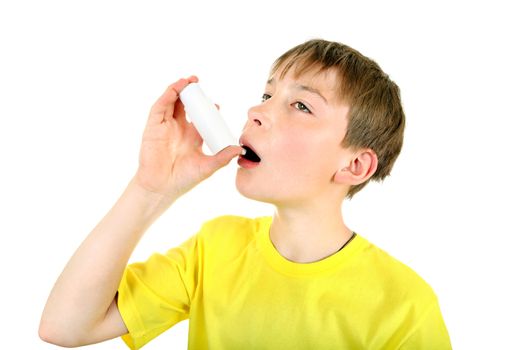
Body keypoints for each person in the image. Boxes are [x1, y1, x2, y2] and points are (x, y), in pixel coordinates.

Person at [39, 39, 452, 349]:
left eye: (302, 106)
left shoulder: (405, 305)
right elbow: (65, 327)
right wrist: (150, 189)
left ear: (354, 166)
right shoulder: (215, 248)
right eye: (267, 95)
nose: (257, 111)